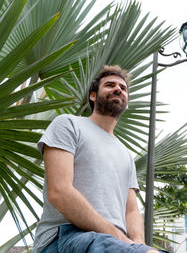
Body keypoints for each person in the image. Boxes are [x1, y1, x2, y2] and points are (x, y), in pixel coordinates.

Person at [32, 65, 163, 253]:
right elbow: (59, 191)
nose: (118, 89)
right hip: (64, 237)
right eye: (110, 85)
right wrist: (122, 241)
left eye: (123, 88)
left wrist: (138, 246)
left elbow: (131, 211)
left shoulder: (125, 154)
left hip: (113, 244)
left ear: (126, 101)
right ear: (93, 95)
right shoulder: (68, 125)